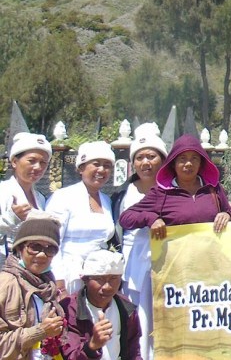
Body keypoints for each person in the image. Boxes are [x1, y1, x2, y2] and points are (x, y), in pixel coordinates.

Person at [109, 124, 165, 360]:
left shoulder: (171, 190)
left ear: (162, 160)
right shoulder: (122, 195)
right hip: (133, 266)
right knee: (137, 321)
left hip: (165, 262)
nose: (146, 162)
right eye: (140, 157)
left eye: (151, 156)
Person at [119, 134, 231, 239]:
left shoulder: (213, 189)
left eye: (194, 158)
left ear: (201, 163)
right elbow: (125, 218)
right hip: (176, 259)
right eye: (182, 159)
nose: (189, 164)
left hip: (212, 258)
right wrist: (151, 218)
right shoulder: (161, 193)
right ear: (173, 164)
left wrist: (226, 215)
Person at [45, 141, 116, 294]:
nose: (101, 170)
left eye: (107, 165)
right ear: (81, 168)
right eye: (96, 164)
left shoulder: (107, 200)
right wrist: (59, 279)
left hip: (98, 276)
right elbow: (52, 240)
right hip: (68, 274)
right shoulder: (62, 197)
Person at [0, 212, 66, 360]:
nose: (42, 255)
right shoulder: (5, 284)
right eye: (35, 247)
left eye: (50, 249)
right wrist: (40, 331)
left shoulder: (48, 286)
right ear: (19, 248)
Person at [62, 251, 143, 360]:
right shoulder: (70, 309)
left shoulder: (126, 308)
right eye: (100, 279)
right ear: (85, 279)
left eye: (113, 279)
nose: (107, 287)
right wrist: (92, 346)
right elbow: (69, 355)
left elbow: (134, 352)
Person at [0, 133, 51, 257]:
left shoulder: (41, 198)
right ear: (14, 162)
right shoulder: (2, 191)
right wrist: (12, 218)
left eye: (43, 162)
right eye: (31, 161)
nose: (38, 167)